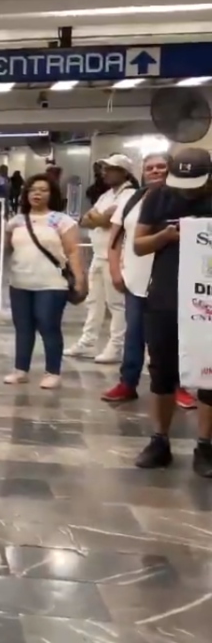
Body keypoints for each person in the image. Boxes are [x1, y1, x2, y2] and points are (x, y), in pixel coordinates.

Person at [132, 148, 212, 474]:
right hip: (165, 294)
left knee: (210, 370)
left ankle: (205, 445)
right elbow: (138, 244)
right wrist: (164, 237)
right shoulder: (158, 197)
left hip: (206, 295)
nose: (188, 191)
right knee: (162, 370)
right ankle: (159, 440)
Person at [100, 154, 198, 406]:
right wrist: (114, 270)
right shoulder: (133, 199)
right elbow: (115, 238)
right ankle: (127, 382)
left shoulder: (184, 201)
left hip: (172, 281)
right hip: (136, 278)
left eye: (161, 167)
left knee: (173, 336)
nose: (155, 171)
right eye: (150, 168)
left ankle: (178, 386)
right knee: (133, 333)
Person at [2, 173, 86, 390]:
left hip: (52, 284)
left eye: (43, 190)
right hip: (20, 282)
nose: (37, 194)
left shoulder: (62, 221)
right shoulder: (16, 221)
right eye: (33, 190)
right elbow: (4, 249)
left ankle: (53, 371)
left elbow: (73, 251)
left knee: (48, 325)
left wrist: (79, 279)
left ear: (52, 194)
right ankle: (21, 369)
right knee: (23, 327)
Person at [68, 154, 139, 364]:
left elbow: (107, 220)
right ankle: (88, 341)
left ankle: (116, 346)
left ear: (124, 172)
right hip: (98, 255)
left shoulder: (130, 195)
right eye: (104, 169)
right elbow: (86, 219)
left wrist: (99, 219)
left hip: (116, 257)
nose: (105, 173)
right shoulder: (106, 195)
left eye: (111, 169)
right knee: (94, 302)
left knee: (116, 304)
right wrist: (98, 219)